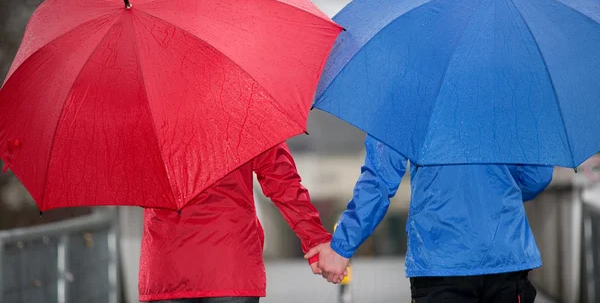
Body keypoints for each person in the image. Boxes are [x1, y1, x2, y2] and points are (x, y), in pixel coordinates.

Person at [305, 135, 554, 303]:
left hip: (439, 263)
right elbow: (537, 176)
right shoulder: (510, 89)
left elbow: (379, 180)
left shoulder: (407, 87)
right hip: (507, 258)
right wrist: (497, 192)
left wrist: (341, 248)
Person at [139, 142, 331, 303]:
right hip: (231, 267)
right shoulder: (244, 104)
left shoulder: (143, 111)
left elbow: (135, 185)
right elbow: (282, 182)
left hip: (165, 268)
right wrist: (316, 240)